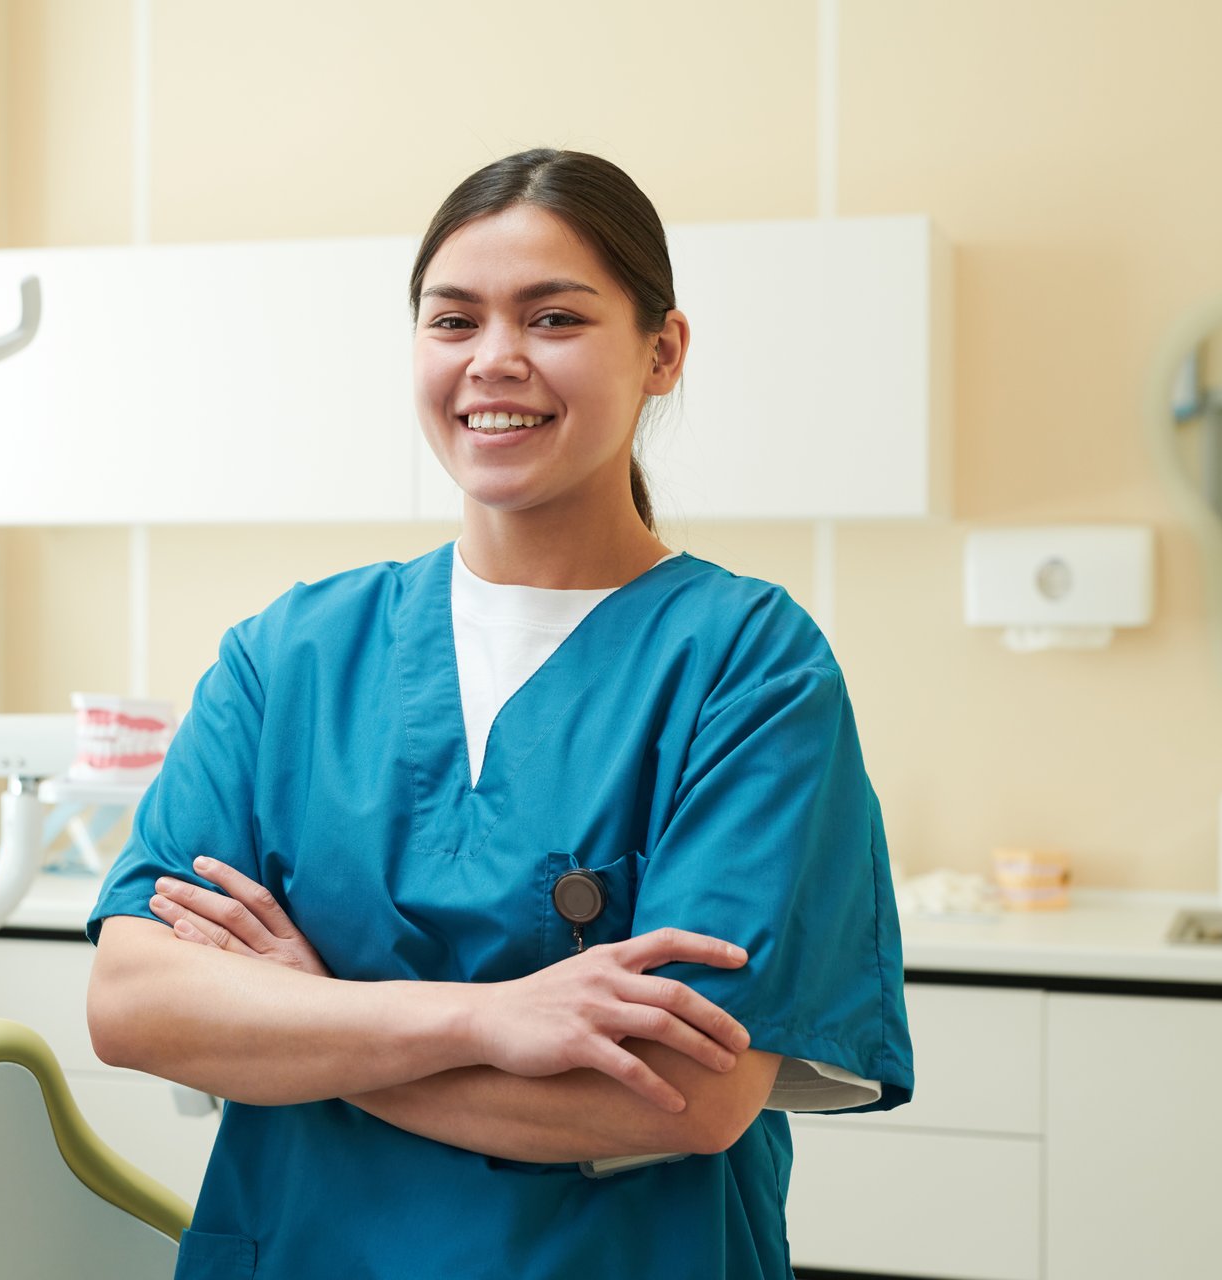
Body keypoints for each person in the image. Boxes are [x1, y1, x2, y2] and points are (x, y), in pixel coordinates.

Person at [85, 148, 913, 1279]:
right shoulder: (292, 654)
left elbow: (690, 1092)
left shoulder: (746, 664)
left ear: (662, 351)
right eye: (452, 320)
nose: (495, 361)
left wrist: (309, 1018)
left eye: (554, 317)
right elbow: (136, 1002)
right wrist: (486, 1020)